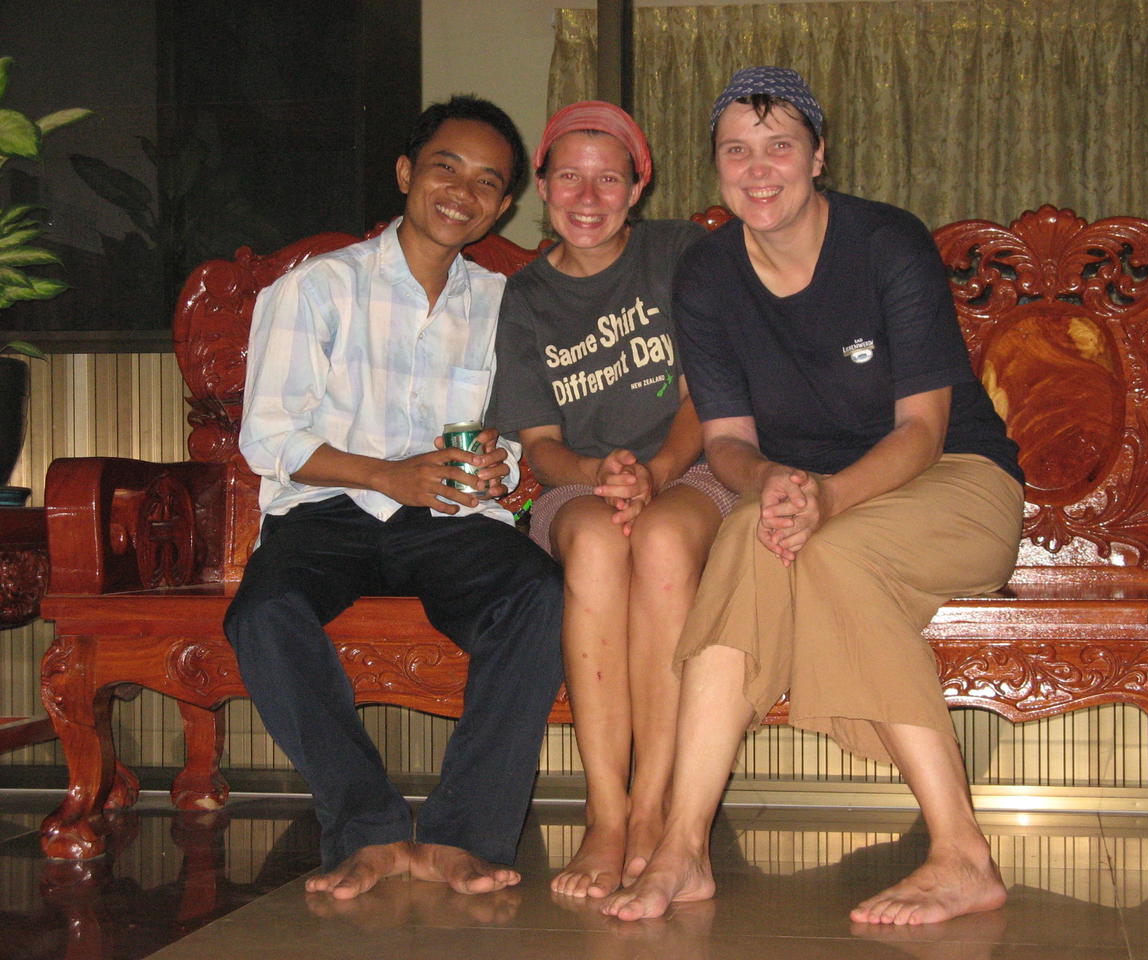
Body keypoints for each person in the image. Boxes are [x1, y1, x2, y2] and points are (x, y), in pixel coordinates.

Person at [603, 67, 1025, 926]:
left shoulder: (885, 243)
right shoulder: (707, 274)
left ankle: (962, 852)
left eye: (779, 146)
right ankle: (683, 847)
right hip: (808, 495)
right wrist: (770, 483)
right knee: (745, 540)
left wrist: (827, 499)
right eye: (736, 151)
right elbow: (726, 440)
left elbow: (923, 430)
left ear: (818, 155)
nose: (758, 169)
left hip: (955, 481)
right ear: (716, 166)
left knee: (829, 551)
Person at [224, 95, 564, 902]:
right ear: (407, 173)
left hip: (448, 518)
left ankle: (461, 836)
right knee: (262, 614)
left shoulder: (504, 304)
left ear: (502, 206)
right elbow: (268, 436)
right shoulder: (317, 289)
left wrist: (498, 466)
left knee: (539, 594)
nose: (463, 192)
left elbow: (517, 433)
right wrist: (386, 475)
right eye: (447, 167)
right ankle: (368, 828)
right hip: (327, 511)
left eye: (488, 181)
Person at [486, 101, 735, 899]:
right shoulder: (526, 297)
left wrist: (656, 471)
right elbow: (540, 444)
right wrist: (600, 474)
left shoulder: (680, 254)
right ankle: (605, 813)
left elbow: (704, 396)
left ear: (637, 188)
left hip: (691, 467)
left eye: (608, 180)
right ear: (543, 186)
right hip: (581, 482)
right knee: (597, 543)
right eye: (569, 177)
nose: (587, 198)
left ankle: (654, 808)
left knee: (660, 541)